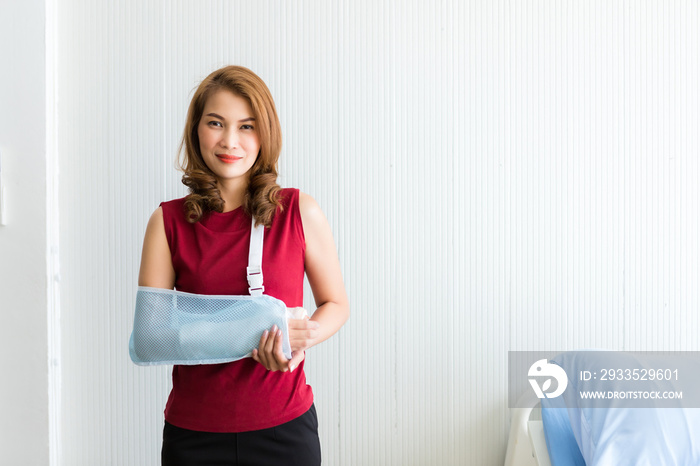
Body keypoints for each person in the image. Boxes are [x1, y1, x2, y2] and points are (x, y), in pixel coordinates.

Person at [137, 65, 349, 465]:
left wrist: (296, 340)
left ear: (264, 134)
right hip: (195, 435)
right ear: (196, 129)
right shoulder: (166, 223)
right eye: (216, 123)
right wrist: (247, 331)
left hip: (284, 430)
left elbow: (336, 304)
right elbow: (150, 337)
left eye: (246, 126)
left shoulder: (300, 212)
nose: (230, 141)